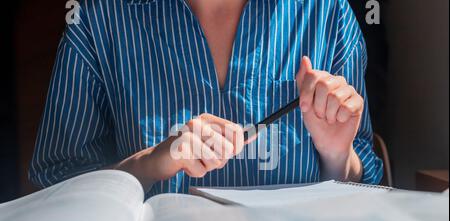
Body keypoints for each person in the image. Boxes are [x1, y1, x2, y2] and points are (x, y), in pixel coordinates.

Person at [30, 0, 383, 196]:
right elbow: (57, 191)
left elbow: (367, 186)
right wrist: (152, 162)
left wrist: (337, 154)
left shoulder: (326, 13)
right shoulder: (99, 19)